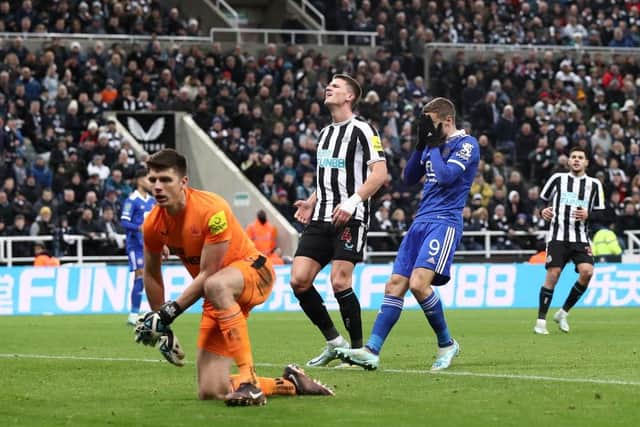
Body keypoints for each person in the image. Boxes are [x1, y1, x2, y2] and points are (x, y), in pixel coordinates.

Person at [133, 149, 333, 407]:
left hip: (254, 272)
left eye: (165, 179)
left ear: (183, 182)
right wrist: (163, 329)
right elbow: (151, 274)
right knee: (211, 390)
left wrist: (167, 314)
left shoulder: (211, 209)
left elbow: (209, 273)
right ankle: (291, 383)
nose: (157, 186)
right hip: (217, 294)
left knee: (215, 284)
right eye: (153, 179)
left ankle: (249, 383)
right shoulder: (152, 224)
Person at [336, 97, 479, 371]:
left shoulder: (466, 144)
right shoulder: (432, 145)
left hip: (444, 221)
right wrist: (420, 145)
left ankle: (447, 344)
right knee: (394, 286)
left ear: (447, 120)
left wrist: (434, 146)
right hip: (420, 222)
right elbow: (409, 177)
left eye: (431, 122)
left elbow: (447, 176)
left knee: (418, 284)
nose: (427, 127)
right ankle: (372, 351)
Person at [289, 74, 387, 366]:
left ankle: (359, 351)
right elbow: (327, 178)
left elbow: (379, 175)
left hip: (352, 217)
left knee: (339, 281)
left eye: (336, 86)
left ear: (350, 97)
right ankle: (334, 342)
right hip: (321, 217)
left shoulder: (363, 130)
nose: (328, 88)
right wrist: (310, 201)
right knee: (298, 280)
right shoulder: (324, 134)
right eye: (328, 84)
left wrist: (352, 202)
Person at [534, 146, 605, 334]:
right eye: (573, 157)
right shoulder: (557, 179)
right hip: (558, 237)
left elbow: (604, 213)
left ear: (586, 162)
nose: (576, 160)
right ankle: (541, 322)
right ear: (568, 161)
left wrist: (589, 214)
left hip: (580, 239)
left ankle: (563, 312)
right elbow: (541, 200)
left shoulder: (594, 184)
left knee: (587, 272)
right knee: (553, 274)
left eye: (580, 157)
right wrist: (542, 210)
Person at [121, 167, 156, 325]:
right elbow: (124, 221)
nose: (152, 183)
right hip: (135, 245)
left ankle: (150, 311)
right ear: (140, 180)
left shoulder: (152, 201)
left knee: (149, 279)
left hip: (150, 246)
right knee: (140, 276)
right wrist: (138, 227)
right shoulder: (131, 200)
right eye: (149, 179)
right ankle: (133, 314)